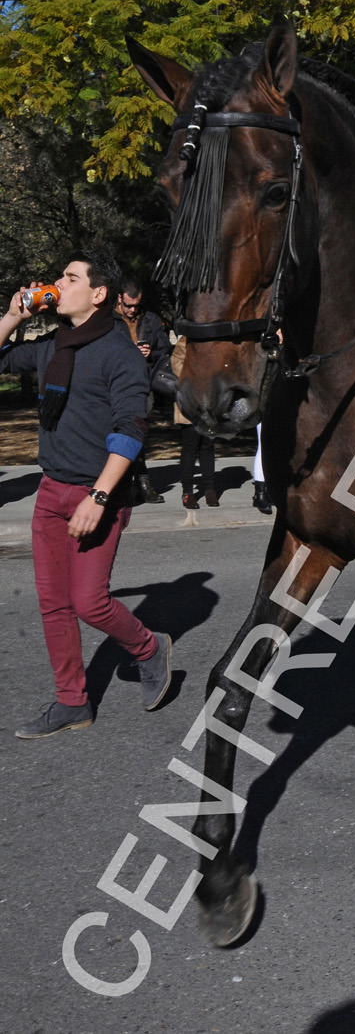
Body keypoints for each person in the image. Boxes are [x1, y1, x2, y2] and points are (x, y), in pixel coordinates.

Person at [0, 250, 172, 738]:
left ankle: (149, 648)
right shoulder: (54, 344)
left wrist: (98, 498)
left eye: (69, 277)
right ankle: (72, 701)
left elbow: (131, 429)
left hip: (97, 494)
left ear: (98, 295)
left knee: (88, 602)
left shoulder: (118, 353)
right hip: (50, 488)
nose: (57, 283)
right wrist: (14, 314)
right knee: (53, 603)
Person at [116, 278, 169, 503]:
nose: (131, 310)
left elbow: (165, 350)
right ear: (119, 299)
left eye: (136, 305)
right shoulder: (106, 321)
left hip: (142, 386)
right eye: (128, 305)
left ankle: (141, 484)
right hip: (115, 385)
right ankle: (133, 484)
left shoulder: (151, 321)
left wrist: (151, 353)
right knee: (121, 435)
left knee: (136, 434)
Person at [171, 335, 218, 507]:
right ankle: (187, 492)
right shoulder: (186, 340)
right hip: (189, 401)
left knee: (208, 448)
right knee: (190, 448)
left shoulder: (215, 341)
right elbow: (177, 366)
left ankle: (210, 489)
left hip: (211, 403)